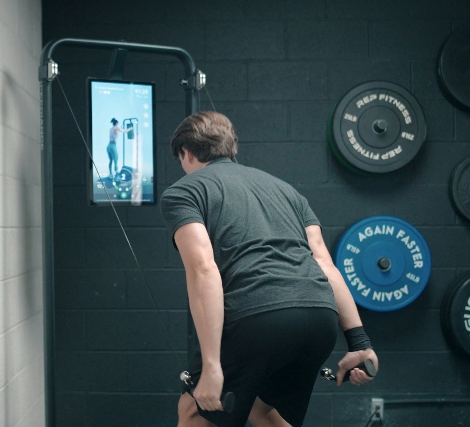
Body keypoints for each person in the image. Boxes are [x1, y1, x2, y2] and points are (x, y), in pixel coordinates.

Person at [159, 111, 378, 427]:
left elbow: (203, 269)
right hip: (320, 320)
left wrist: (211, 366)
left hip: (258, 318)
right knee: (261, 410)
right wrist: (359, 343)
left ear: (188, 153)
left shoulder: (185, 191)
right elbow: (325, 265)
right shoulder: (287, 191)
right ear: (230, 149)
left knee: (195, 411)